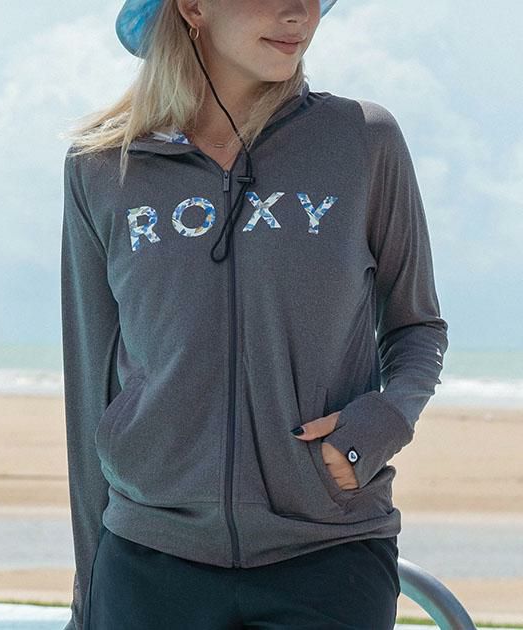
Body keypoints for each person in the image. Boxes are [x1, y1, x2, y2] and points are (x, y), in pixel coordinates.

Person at [59, 0, 449, 627]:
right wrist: (89, 596)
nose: (298, 13)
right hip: (150, 556)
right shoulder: (104, 166)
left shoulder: (362, 140)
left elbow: (416, 324)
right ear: (194, 7)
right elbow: (89, 377)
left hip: (329, 554)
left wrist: (380, 423)